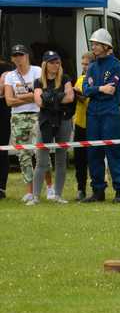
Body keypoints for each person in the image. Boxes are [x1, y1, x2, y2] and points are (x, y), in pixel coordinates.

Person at [82, 28, 120, 203]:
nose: (93, 47)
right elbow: (86, 90)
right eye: (92, 44)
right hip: (93, 113)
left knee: (113, 150)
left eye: (96, 44)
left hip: (110, 112)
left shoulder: (117, 66)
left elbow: (113, 89)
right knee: (94, 152)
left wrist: (98, 91)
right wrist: (99, 89)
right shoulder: (92, 66)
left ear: (106, 46)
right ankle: (98, 190)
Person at [29, 51, 75, 205]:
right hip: (46, 122)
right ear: (45, 64)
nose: (55, 65)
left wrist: (50, 97)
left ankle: (58, 195)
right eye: (52, 62)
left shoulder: (65, 78)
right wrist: (58, 97)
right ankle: (35, 197)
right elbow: (39, 102)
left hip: (64, 120)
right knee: (41, 161)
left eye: (57, 62)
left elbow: (70, 97)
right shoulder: (38, 81)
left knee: (61, 160)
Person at [3, 44, 42, 202]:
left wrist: (20, 98)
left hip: (37, 114)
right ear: (12, 59)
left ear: (27, 56)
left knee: (40, 153)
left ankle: (50, 189)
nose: (18, 58)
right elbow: (8, 101)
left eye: (21, 55)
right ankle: (30, 191)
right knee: (23, 156)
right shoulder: (9, 76)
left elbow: (40, 95)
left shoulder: (37, 71)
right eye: (15, 56)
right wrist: (29, 96)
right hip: (17, 117)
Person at [73, 52, 94, 201]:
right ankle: (81, 188)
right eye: (83, 64)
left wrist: (83, 97)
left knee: (94, 159)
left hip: (94, 124)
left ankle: (97, 188)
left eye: (87, 64)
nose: (84, 67)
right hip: (80, 123)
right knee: (79, 159)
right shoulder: (79, 79)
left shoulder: (97, 79)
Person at [0, 57, 13, 199]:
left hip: (3, 112)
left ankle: (1, 188)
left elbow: (3, 90)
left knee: (2, 150)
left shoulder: (7, 69)